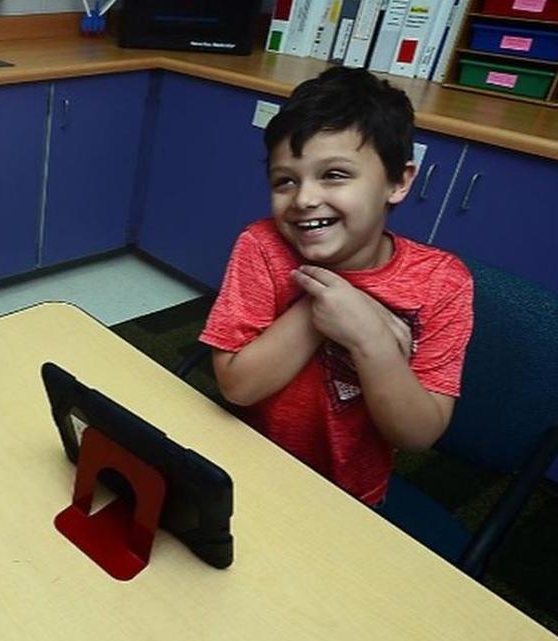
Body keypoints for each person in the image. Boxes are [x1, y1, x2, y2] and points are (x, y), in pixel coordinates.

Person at [199, 67, 474, 506]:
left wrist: (371, 339)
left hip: (346, 496)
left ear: (398, 182)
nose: (304, 198)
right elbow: (237, 386)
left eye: (334, 175)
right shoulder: (261, 245)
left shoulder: (444, 282)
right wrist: (322, 309)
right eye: (285, 180)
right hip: (244, 462)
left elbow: (419, 434)